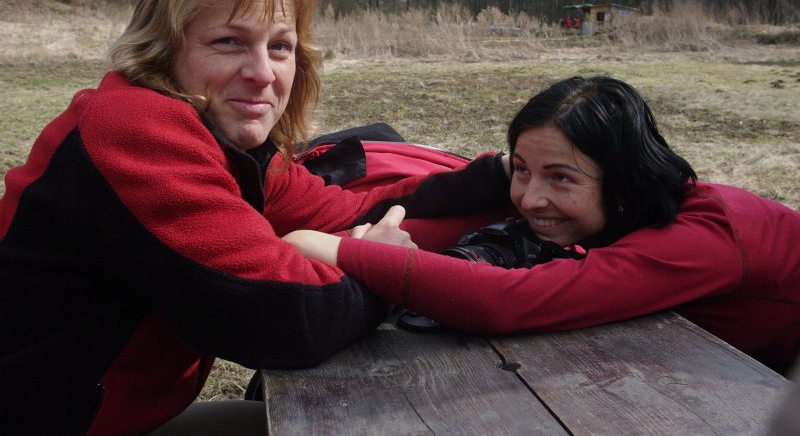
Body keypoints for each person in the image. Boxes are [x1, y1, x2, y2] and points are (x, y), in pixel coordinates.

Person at [0, 0, 511, 435]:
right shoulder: (134, 129)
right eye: (228, 41)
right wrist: (386, 269)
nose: (263, 73)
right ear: (165, 45)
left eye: (280, 46)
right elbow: (283, 317)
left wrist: (506, 178)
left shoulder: (237, 150)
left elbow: (352, 209)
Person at [286, 75, 800, 376]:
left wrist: (336, 251)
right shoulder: (601, 208)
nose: (532, 199)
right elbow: (453, 230)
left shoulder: (705, 237)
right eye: (522, 170)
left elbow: (508, 302)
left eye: (561, 178)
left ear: (624, 181)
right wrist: (345, 241)